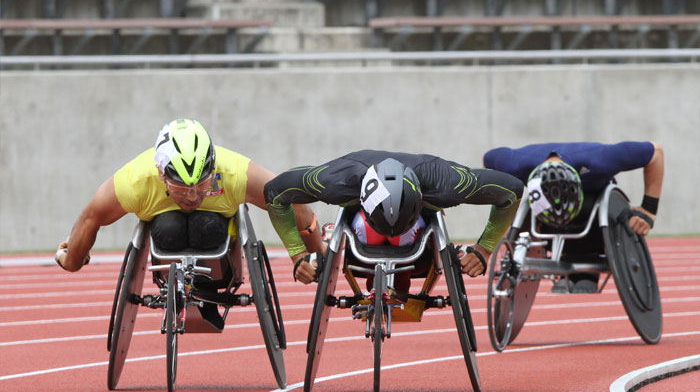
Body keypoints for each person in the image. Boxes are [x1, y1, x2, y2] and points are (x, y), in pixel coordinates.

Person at [55, 118, 324, 274]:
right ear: (161, 174)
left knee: (204, 227)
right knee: (170, 228)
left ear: (213, 168)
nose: (193, 195)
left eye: (201, 184)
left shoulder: (233, 171)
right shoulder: (137, 181)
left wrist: (308, 255)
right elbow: (91, 217)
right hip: (166, 234)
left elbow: (288, 199)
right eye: (183, 188)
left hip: (220, 236)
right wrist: (72, 261)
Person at [263, 150, 524, 289]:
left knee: (406, 254)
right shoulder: (335, 180)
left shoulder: (447, 183)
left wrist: (483, 250)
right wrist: (297, 255)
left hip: (421, 215)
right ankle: (341, 243)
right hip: (358, 206)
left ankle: (402, 276)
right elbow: (274, 193)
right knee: (369, 240)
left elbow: (512, 191)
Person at [483, 141, 664, 293]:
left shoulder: (601, 159)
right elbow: (488, 160)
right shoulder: (514, 163)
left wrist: (648, 210)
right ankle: (566, 264)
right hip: (544, 218)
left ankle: (586, 270)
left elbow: (655, 152)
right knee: (528, 212)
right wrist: (503, 216)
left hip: (593, 208)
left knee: (592, 206)